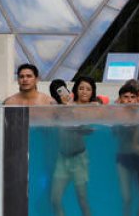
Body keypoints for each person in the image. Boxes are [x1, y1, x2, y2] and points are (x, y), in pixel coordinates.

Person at [48, 79, 93, 216]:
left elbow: (89, 131)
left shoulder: (77, 108)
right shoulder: (55, 110)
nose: (62, 95)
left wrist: (71, 110)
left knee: (82, 199)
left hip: (79, 158)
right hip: (62, 158)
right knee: (55, 199)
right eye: (58, 93)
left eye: (64, 91)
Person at [114, 81, 139, 216]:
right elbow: (114, 133)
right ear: (120, 99)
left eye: (132, 97)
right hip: (124, 157)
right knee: (126, 198)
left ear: (137, 99)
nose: (129, 100)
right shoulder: (116, 115)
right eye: (126, 97)